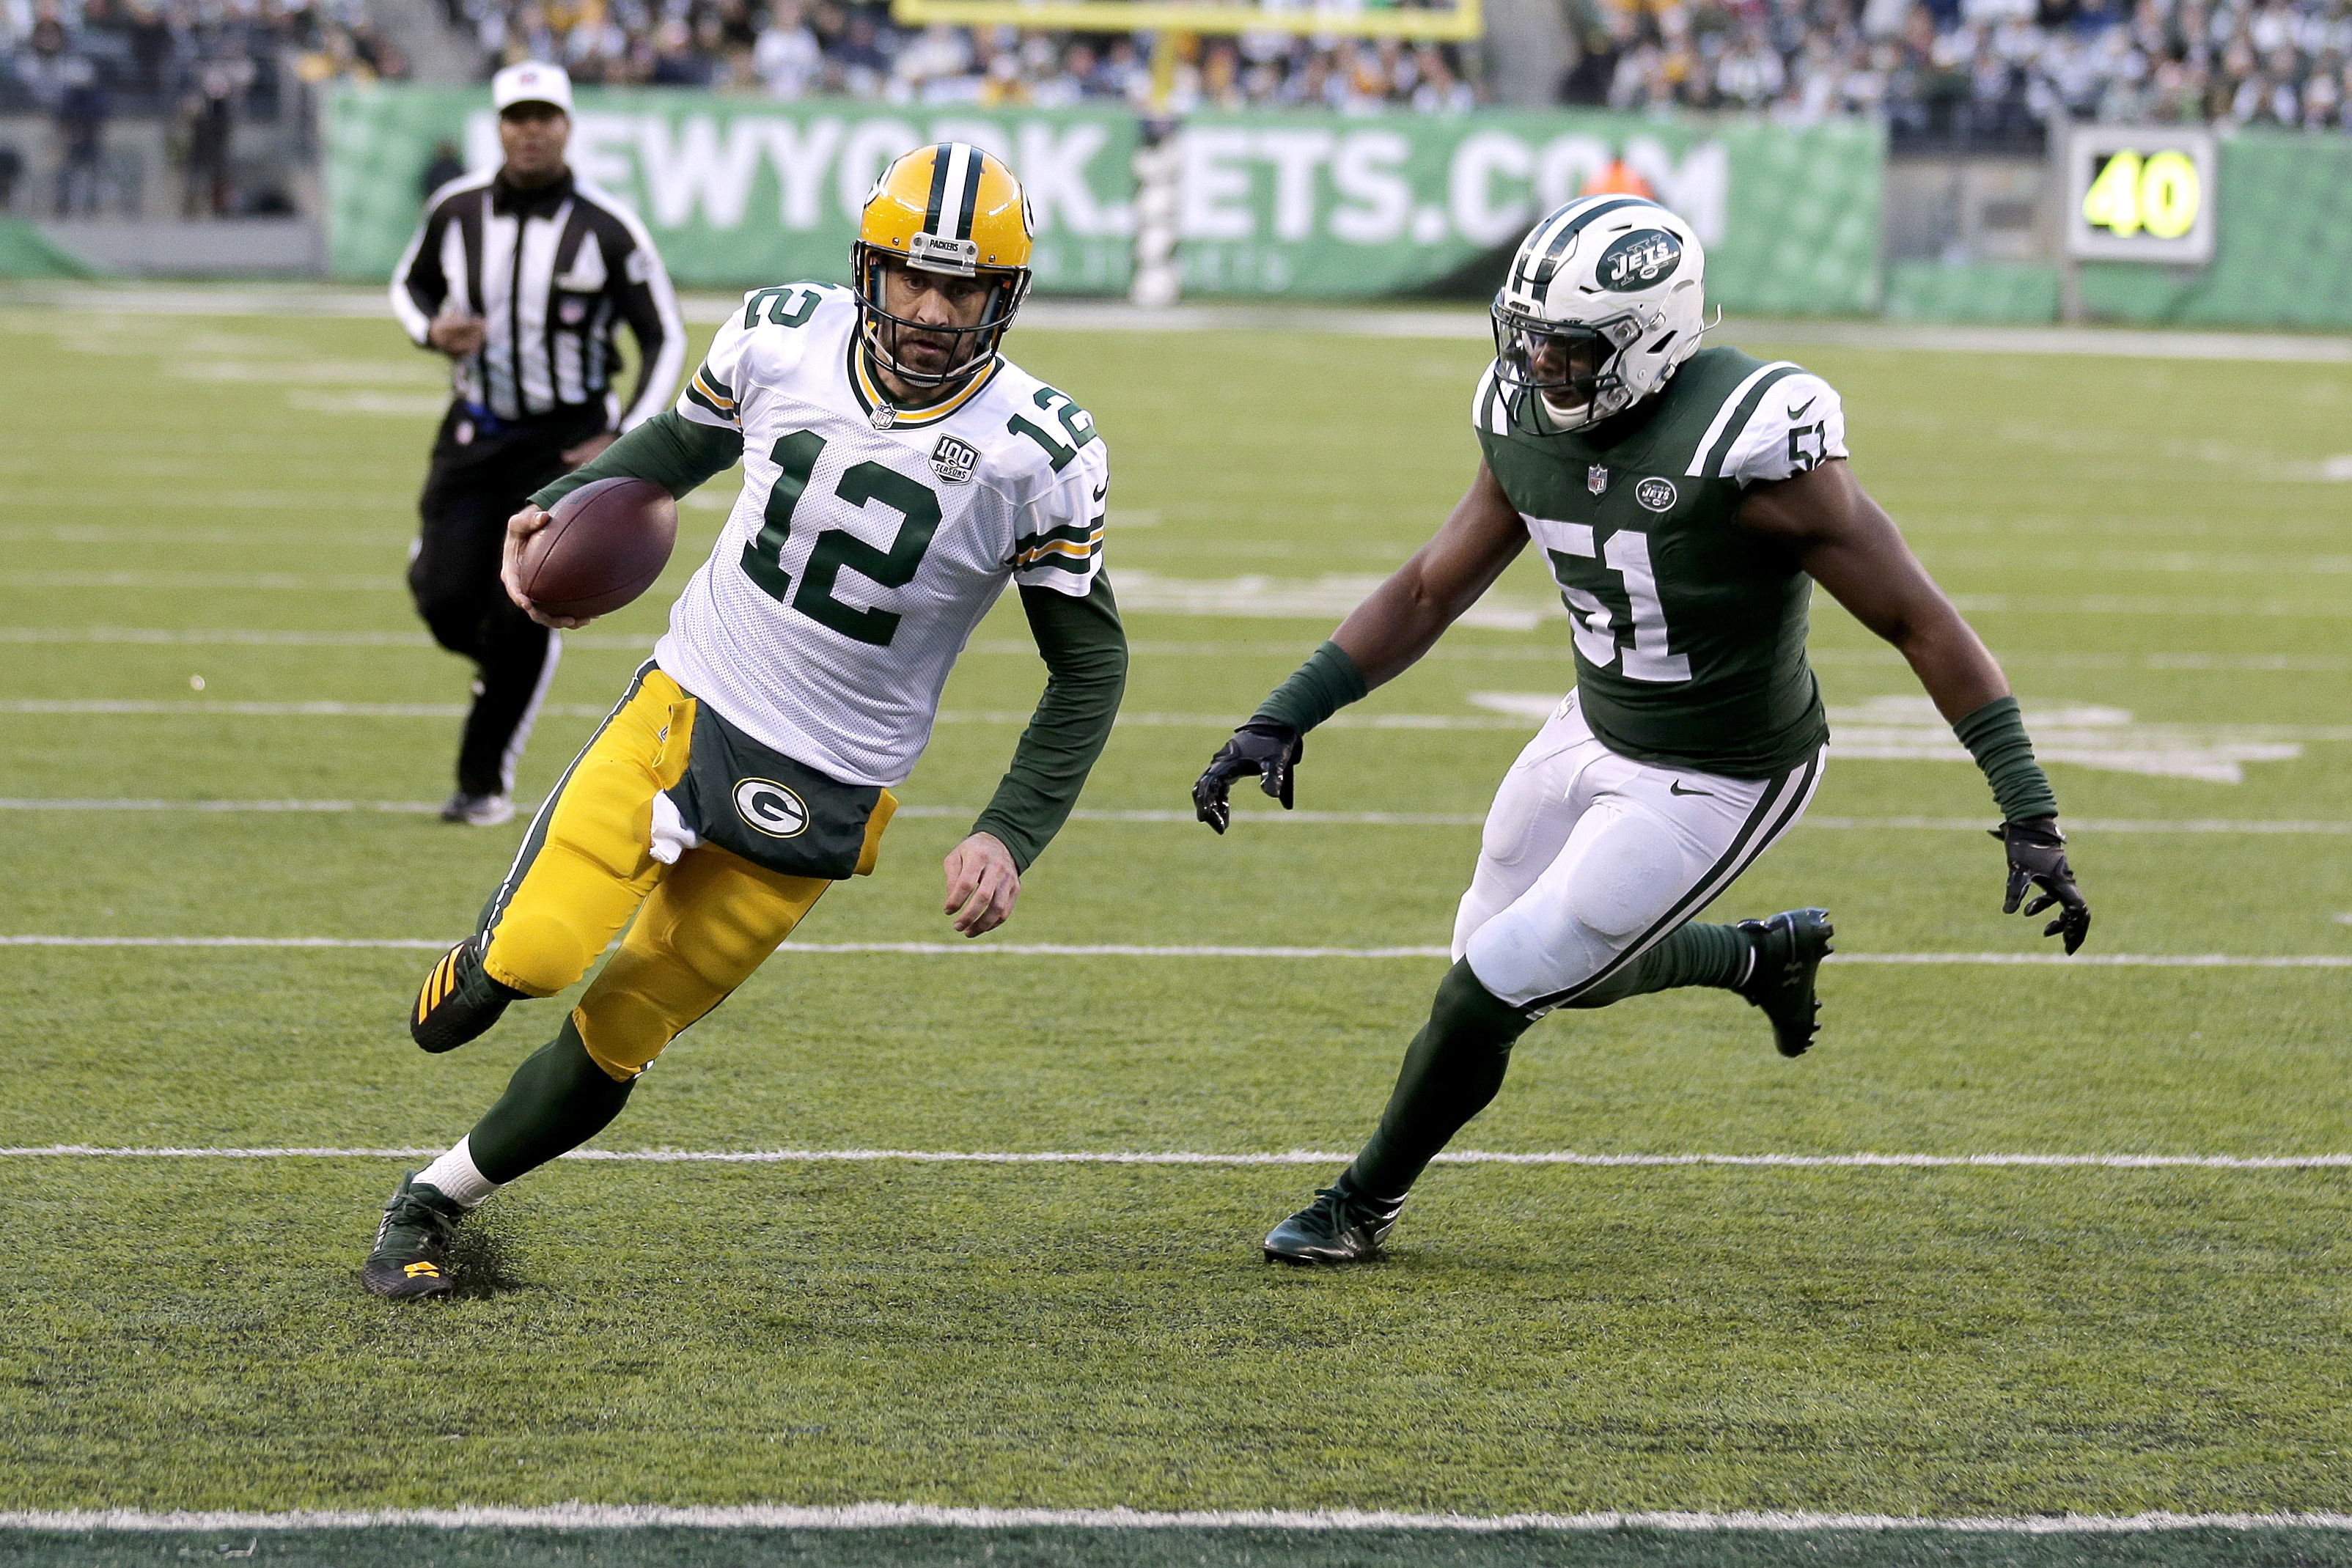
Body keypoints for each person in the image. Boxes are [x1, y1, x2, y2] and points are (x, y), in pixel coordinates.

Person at [1194, 194, 2092, 1267]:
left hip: (1724, 769)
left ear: (1653, 337)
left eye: (1571, 347)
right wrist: (1284, 714)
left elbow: (1918, 619)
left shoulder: (1755, 443)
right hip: (1591, 723)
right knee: (1503, 960)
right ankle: (1755, 957)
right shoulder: (1523, 417)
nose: (1541, 365)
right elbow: (1432, 587)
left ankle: (1360, 1203)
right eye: (1531, 338)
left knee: (1491, 988)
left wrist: (2028, 807)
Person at [364, 143, 1127, 1299]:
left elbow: (1089, 664)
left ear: (1004, 297)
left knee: (626, 1029)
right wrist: (558, 504)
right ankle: (481, 961)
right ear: (868, 267)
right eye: (913, 277)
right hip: (689, 700)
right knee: (531, 959)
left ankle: (434, 1196)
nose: (932, 310)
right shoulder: (784, 335)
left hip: (830, 785)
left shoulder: (1041, 449)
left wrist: (1008, 831)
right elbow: (681, 447)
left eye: (963, 288)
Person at [388, 61, 684, 826]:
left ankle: (481, 786)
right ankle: (501, 653)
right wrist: (430, 330)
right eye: (517, 118)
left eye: (544, 117)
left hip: (564, 448)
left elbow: (663, 333)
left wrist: (623, 435)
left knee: (525, 609)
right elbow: (409, 283)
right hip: (475, 430)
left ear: (566, 126)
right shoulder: (457, 210)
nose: (531, 131)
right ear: (499, 128)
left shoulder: (606, 226)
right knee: (445, 601)